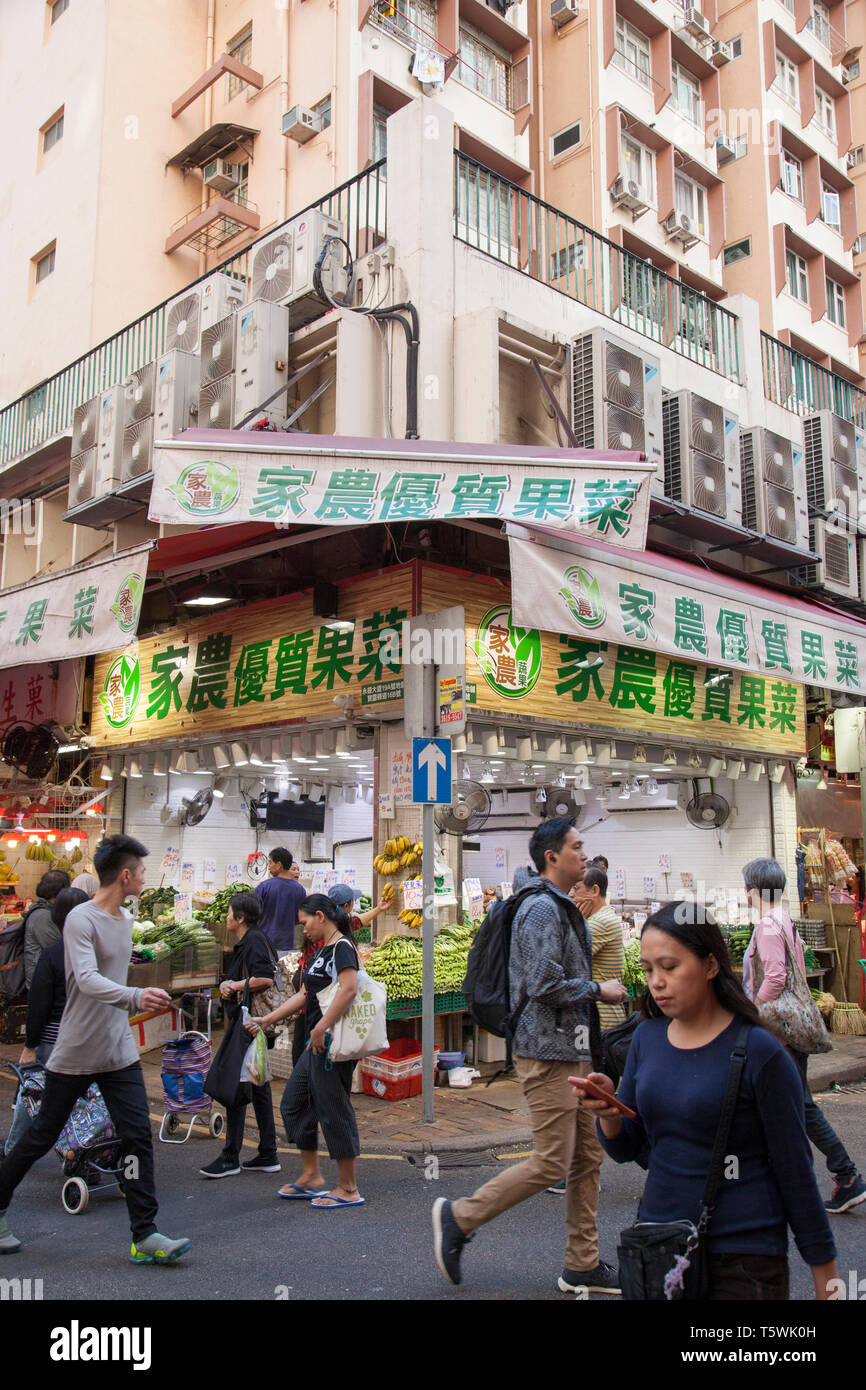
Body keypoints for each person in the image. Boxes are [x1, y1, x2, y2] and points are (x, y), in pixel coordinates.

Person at [579, 900, 839, 1300]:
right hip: (659, 1247)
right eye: (649, 970)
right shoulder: (646, 1039)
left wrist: (829, 1283)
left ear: (711, 966)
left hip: (744, 1257)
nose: (656, 982)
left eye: (670, 967)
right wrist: (610, 1113)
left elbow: (796, 1173)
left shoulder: (762, 1053)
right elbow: (625, 1146)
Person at [431, 817, 628, 1293]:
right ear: (552, 857)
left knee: (586, 1158)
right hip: (546, 1054)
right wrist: (600, 988)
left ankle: (582, 1263)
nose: (585, 854)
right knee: (553, 1161)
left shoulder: (563, 906)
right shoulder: (540, 909)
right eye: (576, 847)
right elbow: (542, 984)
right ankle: (459, 1216)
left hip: (573, 1052)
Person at [0, 834, 190, 1263]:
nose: (144, 878)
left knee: (138, 1136)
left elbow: (113, 978)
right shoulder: (80, 920)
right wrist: (136, 998)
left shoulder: (125, 919)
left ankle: (145, 1235)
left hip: (117, 1050)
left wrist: (137, 999)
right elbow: (85, 980)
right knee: (41, 1135)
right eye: (141, 872)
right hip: (76, 1050)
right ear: (125, 875)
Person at [742, 857, 865, 1215]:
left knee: (800, 1107)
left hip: (779, 1032)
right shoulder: (783, 920)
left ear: (753, 889)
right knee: (788, 1105)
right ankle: (802, 1176)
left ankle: (844, 1175)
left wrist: (751, 1011)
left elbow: (776, 977)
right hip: (788, 1029)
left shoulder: (767, 926)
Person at [249, 894, 364, 1208]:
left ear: (321, 916)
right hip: (315, 1043)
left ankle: (349, 1188)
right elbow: (304, 994)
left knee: (333, 1108)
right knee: (294, 1102)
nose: (304, 930)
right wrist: (268, 1019)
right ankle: (312, 1176)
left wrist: (321, 1026)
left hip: (331, 1043)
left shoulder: (342, 948)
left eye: (305, 922)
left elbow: (350, 989)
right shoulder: (321, 951)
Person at [4, 888, 90, 1156]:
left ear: (57, 917)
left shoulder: (53, 955)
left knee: (33, 1091)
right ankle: (86, 1149)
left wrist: (30, 1045)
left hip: (54, 1039)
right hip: (89, 1038)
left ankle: (14, 1148)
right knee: (85, 1098)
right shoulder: (97, 952)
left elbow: (38, 1005)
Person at [200, 892, 280, 1179]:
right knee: (256, 1084)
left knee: (236, 1082)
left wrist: (233, 985)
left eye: (229, 913)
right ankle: (268, 1153)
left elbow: (266, 977)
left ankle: (230, 1156)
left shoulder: (254, 940)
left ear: (240, 917)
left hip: (248, 1024)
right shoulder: (252, 938)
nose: (226, 917)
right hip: (249, 1022)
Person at [572, 866, 627, 1032]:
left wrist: (576, 920)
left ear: (594, 890)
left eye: (576, 888)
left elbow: (565, 956)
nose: (571, 894)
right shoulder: (596, 919)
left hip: (602, 1019)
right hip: (599, 1016)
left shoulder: (599, 922)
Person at [22, 869, 71, 989]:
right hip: (40, 981)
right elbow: (55, 946)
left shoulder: (48, 911)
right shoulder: (42, 916)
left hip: (44, 977)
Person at [255, 848, 306, 952]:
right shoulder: (300, 889)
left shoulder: (264, 887)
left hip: (264, 943)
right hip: (288, 944)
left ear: (278, 865)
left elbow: (253, 913)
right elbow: (300, 918)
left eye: (270, 862)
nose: (269, 867)